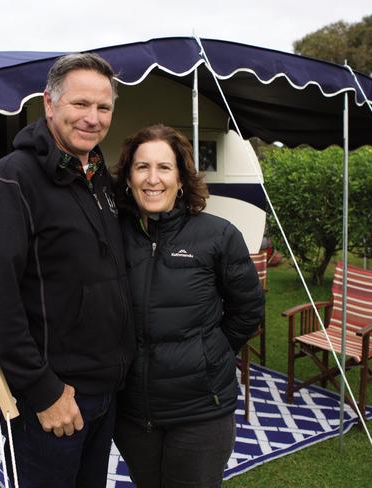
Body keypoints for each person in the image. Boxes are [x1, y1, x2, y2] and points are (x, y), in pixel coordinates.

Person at [0, 53, 135, 488]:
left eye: (103, 108)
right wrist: (44, 391)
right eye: (80, 104)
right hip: (53, 402)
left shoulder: (99, 175)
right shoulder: (12, 180)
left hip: (103, 394)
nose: (93, 118)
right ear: (49, 104)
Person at [112, 124, 265, 488]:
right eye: (142, 167)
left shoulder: (218, 235)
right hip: (134, 413)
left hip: (201, 411)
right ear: (129, 177)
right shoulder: (113, 234)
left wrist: (208, 354)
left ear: (181, 178)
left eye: (164, 167)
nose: (153, 179)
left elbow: (248, 310)